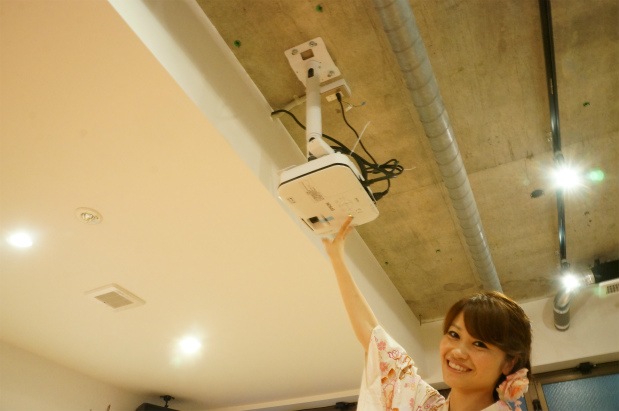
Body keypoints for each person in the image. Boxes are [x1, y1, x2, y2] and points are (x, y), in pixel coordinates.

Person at [322, 217, 532, 411]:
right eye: (454, 334)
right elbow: (375, 339)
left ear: (509, 362)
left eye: (479, 344)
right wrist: (337, 258)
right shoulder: (424, 404)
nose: (458, 352)